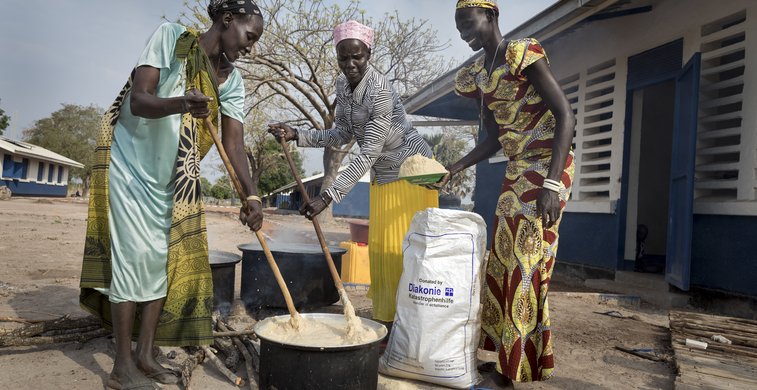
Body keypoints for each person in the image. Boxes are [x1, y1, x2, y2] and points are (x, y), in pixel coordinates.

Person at [78, 1, 264, 389]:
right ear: (227, 20)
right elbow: (139, 99)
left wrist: (252, 197)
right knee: (133, 259)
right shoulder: (172, 40)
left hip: (172, 179)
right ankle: (121, 367)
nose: (250, 47)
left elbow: (234, 143)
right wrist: (183, 103)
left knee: (162, 261)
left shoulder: (232, 81)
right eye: (249, 37)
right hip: (128, 165)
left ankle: (146, 353)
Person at [439, 1, 576, 387]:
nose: (465, 33)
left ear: (492, 16)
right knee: (500, 258)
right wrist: (455, 167)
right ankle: (505, 358)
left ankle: (509, 373)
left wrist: (551, 185)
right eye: (459, 27)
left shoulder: (522, 54)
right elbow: (495, 138)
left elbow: (566, 114)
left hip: (549, 165)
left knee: (525, 261)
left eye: (469, 23)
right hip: (516, 168)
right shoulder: (477, 76)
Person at [268, 20, 438, 325]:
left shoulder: (380, 90)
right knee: (381, 251)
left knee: (402, 251)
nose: (350, 64)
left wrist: (328, 196)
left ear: (369, 53)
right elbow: (342, 135)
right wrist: (298, 135)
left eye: (357, 56)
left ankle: (410, 324)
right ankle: (388, 320)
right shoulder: (342, 86)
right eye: (343, 57)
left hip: (412, 173)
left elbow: (368, 150)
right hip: (383, 176)